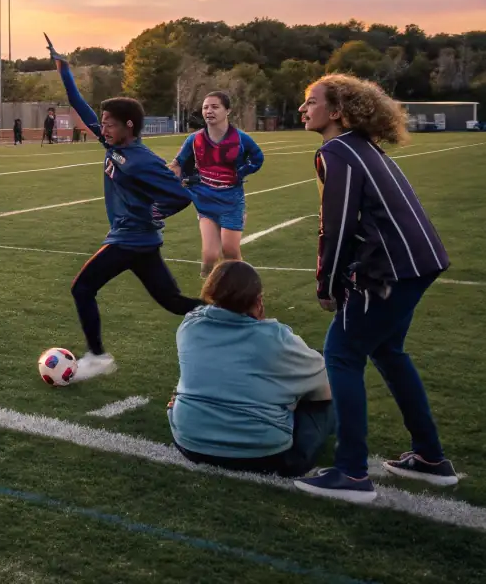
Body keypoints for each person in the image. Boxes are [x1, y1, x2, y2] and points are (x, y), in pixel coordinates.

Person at [293, 74, 457, 502]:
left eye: (311, 102)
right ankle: (430, 458)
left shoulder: (337, 151)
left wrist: (326, 284)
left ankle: (350, 474)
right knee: (387, 351)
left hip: (388, 272)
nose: (303, 109)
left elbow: (338, 225)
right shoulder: (363, 148)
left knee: (342, 354)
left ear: (337, 112)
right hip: (418, 264)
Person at [48, 33, 199, 381]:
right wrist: (64, 68)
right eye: (103, 122)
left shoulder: (142, 160)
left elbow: (181, 196)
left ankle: (98, 356)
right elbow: (79, 104)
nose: (103, 128)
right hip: (140, 243)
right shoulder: (115, 145)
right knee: (174, 302)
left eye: (110, 123)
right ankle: (236, 314)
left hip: (129, 240)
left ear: (129, 126)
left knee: (82, 288)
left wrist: (151, 214)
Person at [170, 261, 333, 477]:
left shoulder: (189, 326)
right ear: (258, 300)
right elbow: (327, 387)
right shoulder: (275, 338)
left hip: (190, 443)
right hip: (264, 454)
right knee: (337, 380)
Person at [170, 91, 265, 277]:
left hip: (231, 201)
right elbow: (178, 163)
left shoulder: (240, 138)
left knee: (230, 251)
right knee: (209, 256)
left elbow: (258, 158)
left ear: (227, 110)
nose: (209, 111)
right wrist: (171, 177)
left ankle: (248, 293)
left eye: (215, 107)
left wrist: (242, 172)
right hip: (204, 200)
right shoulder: (194, 139)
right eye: (206, 107)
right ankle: (209, 296)